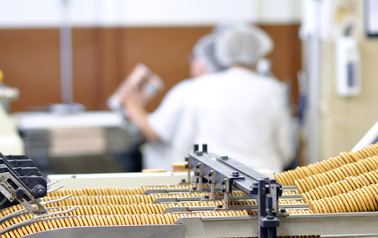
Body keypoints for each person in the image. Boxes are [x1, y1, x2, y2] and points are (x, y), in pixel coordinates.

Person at [123, 23, 294, 173]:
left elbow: (184, 142)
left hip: (213, 180)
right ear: (259, 55)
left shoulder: (201, 86)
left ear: (224, 53)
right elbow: (286, 147)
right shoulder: (273, 90)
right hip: (263, 177)